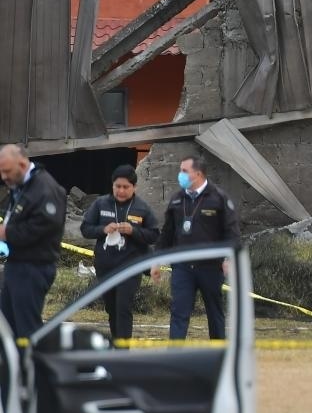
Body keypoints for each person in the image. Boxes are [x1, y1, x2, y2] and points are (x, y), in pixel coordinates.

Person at [152, 155, 240, 339]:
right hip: (182, 267)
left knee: (215, 314)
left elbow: (231, 232)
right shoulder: (177, 199)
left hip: (210, 267)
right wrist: (156, 261)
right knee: (179, 312)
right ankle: (175, 354)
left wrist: (228, 258)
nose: (180, 175)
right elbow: (167, 233)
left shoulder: (218, 198)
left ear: (198, 174)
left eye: (184, 171)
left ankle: (218, 352)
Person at [80, 165, 160, 342]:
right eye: (118, 186)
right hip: (105, 266)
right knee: (112, 308)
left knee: (123, 308)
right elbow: (85, 229)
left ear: (134, 187)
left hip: (130, 267)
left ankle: (123, 349)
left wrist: (133, 231)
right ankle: (116, 344)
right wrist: (102, 229)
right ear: (112, 185)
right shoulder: (100, 204)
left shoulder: (142, 208)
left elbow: (154, 235)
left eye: (126, 187)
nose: (121, 191)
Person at [0, 144, 66, 338]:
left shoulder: (45, 188)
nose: (4, 177)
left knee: (26, 330)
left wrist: (7, 233)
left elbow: (46, 226)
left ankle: (32, 359)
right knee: (7, 328)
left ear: (22, 164)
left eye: (7, 171)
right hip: (16, 264)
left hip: (33, 267)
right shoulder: (21, 186)